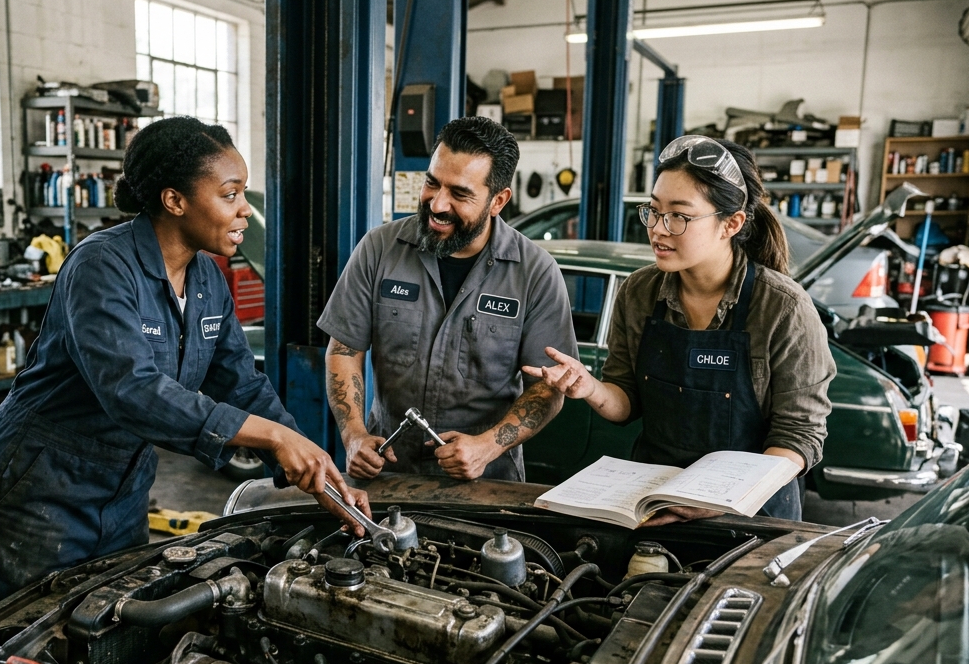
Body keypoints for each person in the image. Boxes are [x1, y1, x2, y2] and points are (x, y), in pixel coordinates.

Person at [0, 117, 368, 625]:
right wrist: (273, 437)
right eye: (230, 194)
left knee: (105, 632)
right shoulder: (102, 267)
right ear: (175, 201)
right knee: (18, 646)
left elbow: (240, 381)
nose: (244, 210)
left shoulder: (206, 280)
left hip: (124, 491)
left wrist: (315, 469)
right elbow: (132, 389)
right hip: (39, 487)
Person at [525, 135, 835, 525]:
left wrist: (718, 499)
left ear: (732, 223)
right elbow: (626, 404)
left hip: (752, 518)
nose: (658, 229)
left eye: (679, 216)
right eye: (653, 211)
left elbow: (798, 437)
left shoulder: (782, 307)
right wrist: (590, 388)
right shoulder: (639, 291)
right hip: (653, 505)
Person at [318, 116, 578, 482]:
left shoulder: (534, 273)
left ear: (497, 200)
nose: (438, 204)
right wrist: (353, 435)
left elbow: (548, 388)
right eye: (432, 183)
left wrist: (487, 446)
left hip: (486, 484)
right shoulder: (379, 249)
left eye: (459, 194)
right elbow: (344, 350)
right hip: (389, 473)